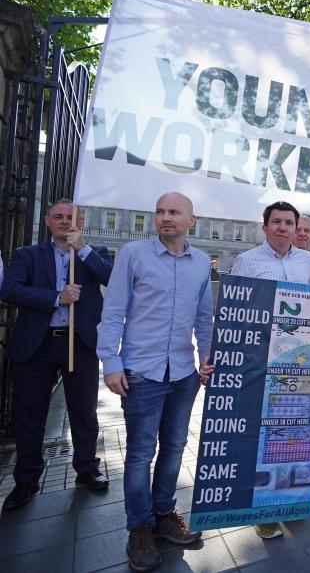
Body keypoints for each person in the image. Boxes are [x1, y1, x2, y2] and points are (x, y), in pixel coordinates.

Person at [97, 192, 214, 571]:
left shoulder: (200, 263)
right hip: (142, 374)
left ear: (190, 220)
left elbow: (204, 318)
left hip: (183, 374)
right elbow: (113, 311)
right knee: (140, 454)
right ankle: (139, 529)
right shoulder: (133, 254)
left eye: (174, 212)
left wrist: (205, 359)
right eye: (160, 212)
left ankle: (164, 515)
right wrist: (111, 363)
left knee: (176, 447)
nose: (165, 218)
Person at [232, 201, 310, 539]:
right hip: (263, 361)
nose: (282, 228)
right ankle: (262, 510)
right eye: (275, 222)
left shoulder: (308, 262)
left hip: (302, 362)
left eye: (288, 223)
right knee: (263, 437)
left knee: (295, 436)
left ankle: (289, 500)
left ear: (296, 229)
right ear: (264, 227)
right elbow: (237, 312)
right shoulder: (246, 262)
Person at [0, 199, 112, 510]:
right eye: (59, 217)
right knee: (30, 414)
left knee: (84, 412)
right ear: (48, 221)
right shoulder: (27, 255)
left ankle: (87, 468)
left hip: (80, 344)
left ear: (81, 223)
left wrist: (85, 250)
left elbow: (113, 280)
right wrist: (56, 298)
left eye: (71, 217)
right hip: (38, 345)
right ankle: (26, 479)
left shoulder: (94, 255)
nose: (65, 221)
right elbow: (10, 290)